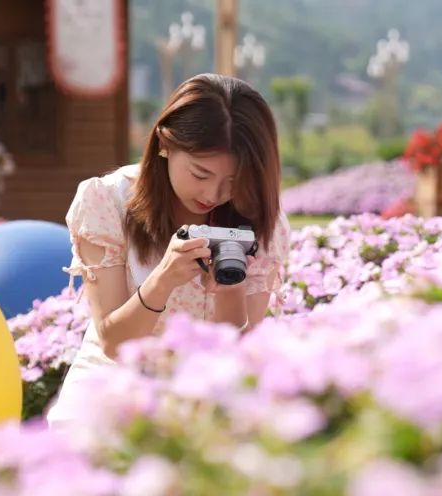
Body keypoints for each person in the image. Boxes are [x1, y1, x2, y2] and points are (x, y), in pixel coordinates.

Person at [47, 73, 290, 426]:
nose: (213, 194)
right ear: (164, 143)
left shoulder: (263, 221)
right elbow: (114, 344)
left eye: (234, 181)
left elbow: (238, 359)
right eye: (200, 174)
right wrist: (162, 280)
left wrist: (229, 294)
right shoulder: (107, 201)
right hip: (113, 394)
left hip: (206, 400)